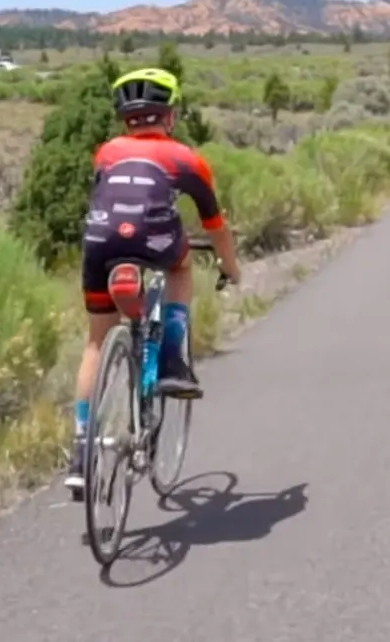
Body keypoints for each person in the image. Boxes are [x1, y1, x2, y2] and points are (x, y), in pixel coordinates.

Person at [67, 66, 243, 496]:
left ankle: (79, 449)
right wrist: (230, 267)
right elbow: (215, 226)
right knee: (181, 268)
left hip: (100, 244)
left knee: (95, 343)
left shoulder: (106, 151)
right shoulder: (187, 160)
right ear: (171, 114)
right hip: (157, 241)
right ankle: (171, 358)